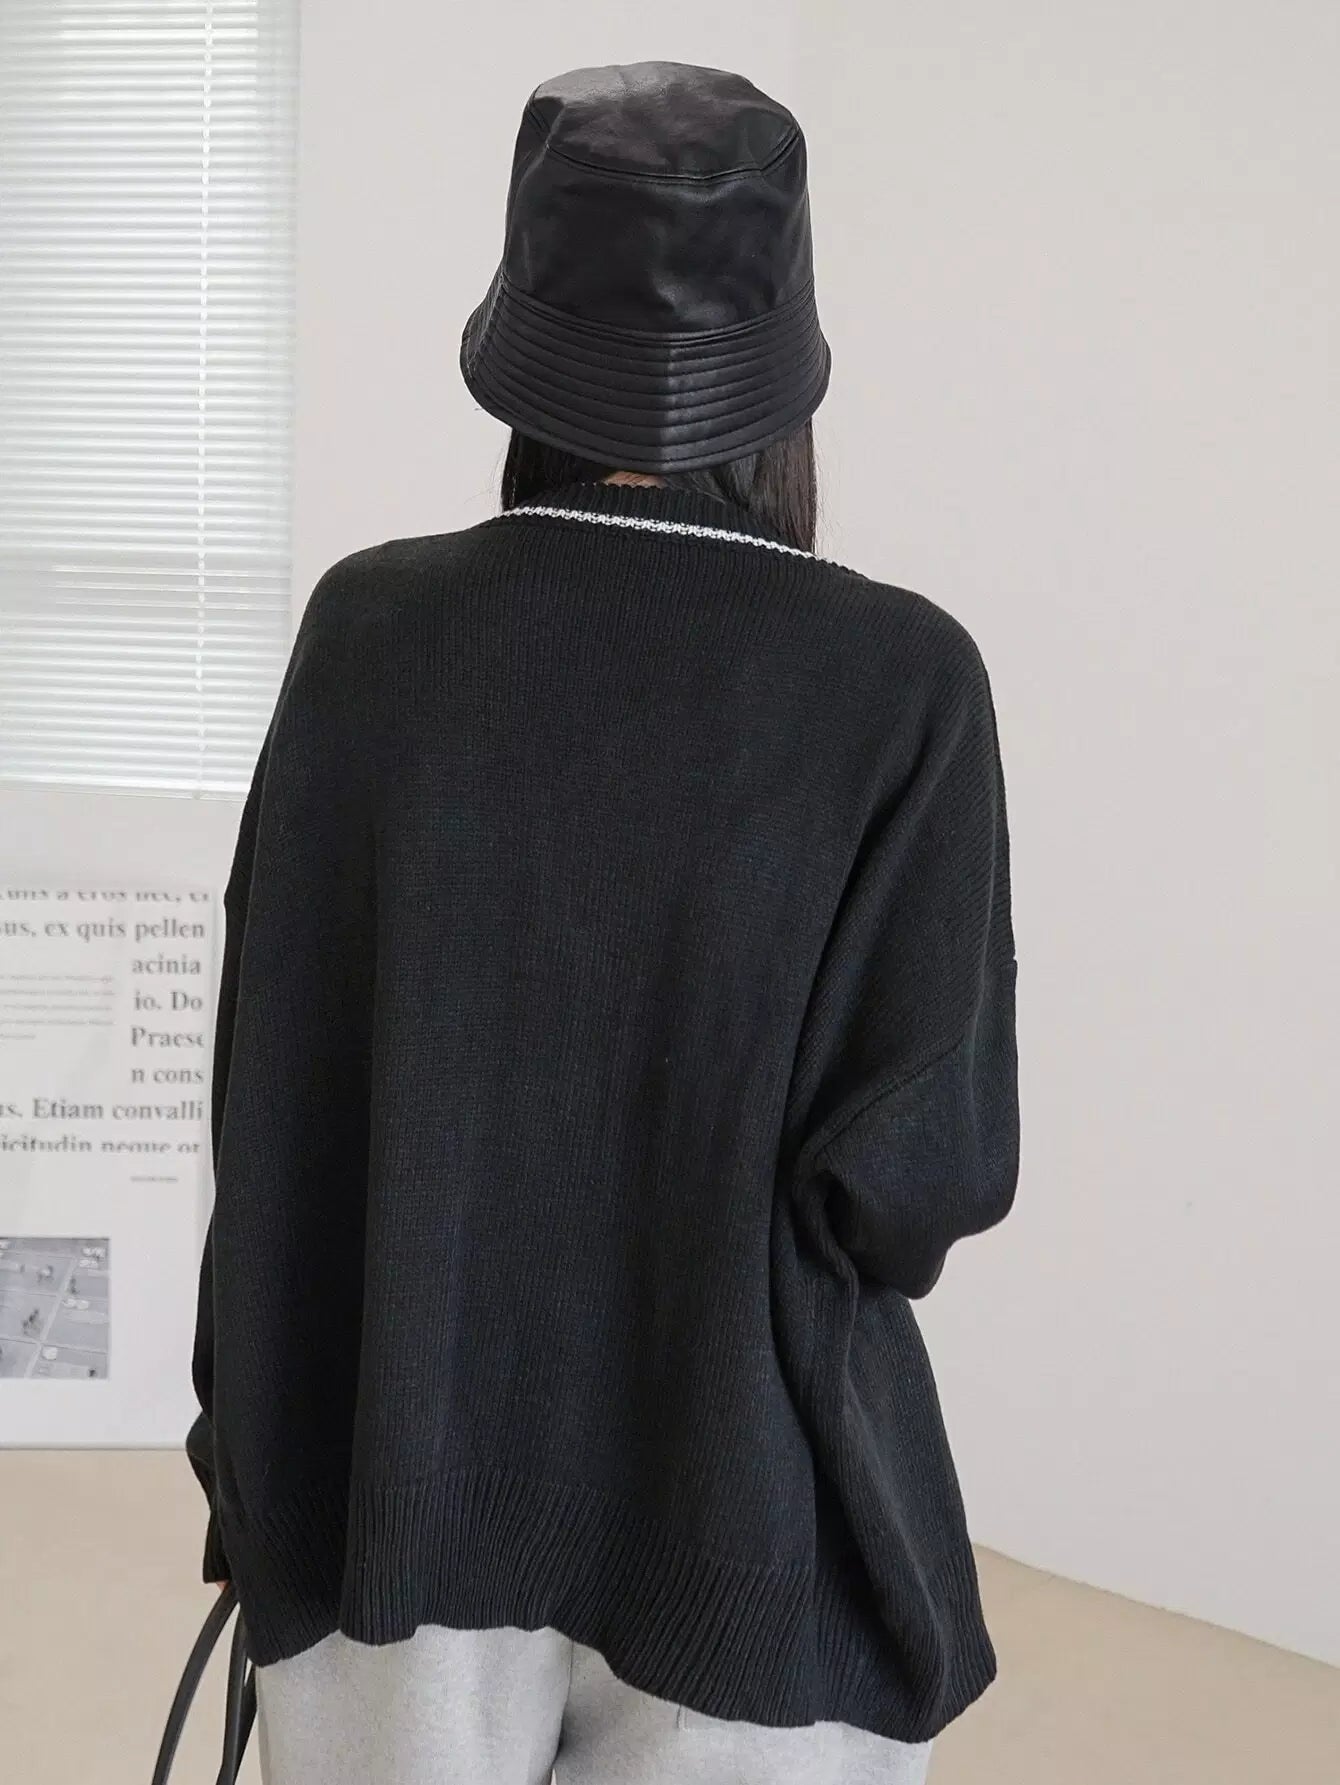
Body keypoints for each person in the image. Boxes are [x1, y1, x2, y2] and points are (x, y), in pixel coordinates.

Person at [187, 59, 1020, 1785]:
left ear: (521, 354)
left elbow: (268, 1095)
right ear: (785, 380)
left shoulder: (370, 634)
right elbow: (918, 1175)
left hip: (387, 1493)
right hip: (750, 1514)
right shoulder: (905, 684)